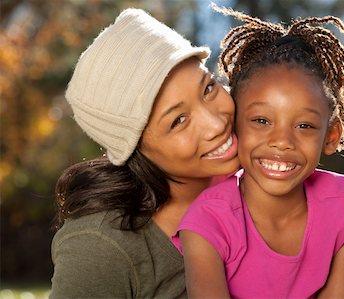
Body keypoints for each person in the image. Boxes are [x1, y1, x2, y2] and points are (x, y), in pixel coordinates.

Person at [173, 6, 344, 299]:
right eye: (261, 121)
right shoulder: (207, 221)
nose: (282, 141)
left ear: (331, 136)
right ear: (235, 125)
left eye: (304, 125)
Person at [50, 8, 240, 298]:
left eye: (208, 88)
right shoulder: (102, 245)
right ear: (135, 148)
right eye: (178, 121)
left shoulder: (261, 180)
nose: (215, 124)